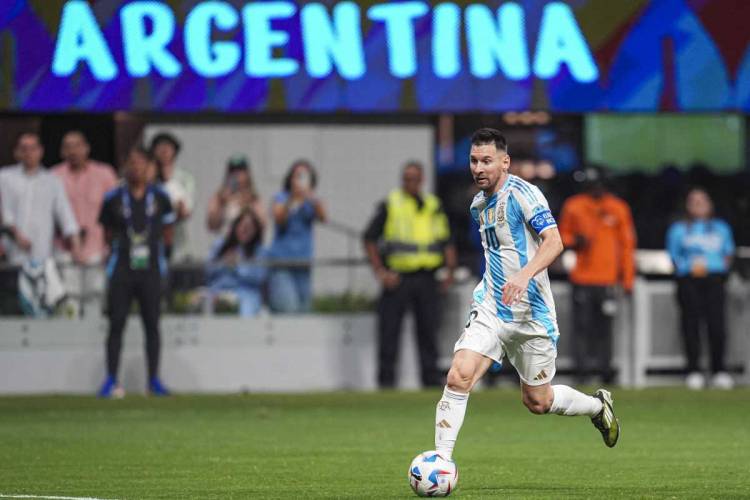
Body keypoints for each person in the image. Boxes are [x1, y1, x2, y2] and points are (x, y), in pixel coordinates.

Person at [433, 129, 619, 464]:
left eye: (487, 161)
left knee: (538, 402)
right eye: (474, 160)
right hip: (492, 306)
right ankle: (441, 462)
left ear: (505, 163)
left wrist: (523, 275)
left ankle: (597, 405)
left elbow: (554, 241)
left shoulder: (524, 194)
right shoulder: (478, 205)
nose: (479, 167)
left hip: (531, 313)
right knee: (458, 374)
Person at [363, 161, 456, 388]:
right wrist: (380, 272)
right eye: (407, 178)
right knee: (389, 333)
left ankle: (430, 382)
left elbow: (447, 241)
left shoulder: (433, 205)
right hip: (398, 278)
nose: (410, 183)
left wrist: (449, 272)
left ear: (421, 180)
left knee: (428, 332)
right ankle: (386, 383)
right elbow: (369, 238)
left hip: (427, 278)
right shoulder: (392, 204)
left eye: (414, 178)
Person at [97, 146, 175, 398]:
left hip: (151, 268)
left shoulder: (161, 197)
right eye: (132, 163)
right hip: (122, 268)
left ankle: (154, 380)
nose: (137, 168)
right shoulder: (113, 198)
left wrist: (163, 257)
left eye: (142, 163)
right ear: (125, 166)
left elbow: (168, 232)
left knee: (152, 324)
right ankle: (110, 380)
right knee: (116, 323)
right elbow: (106, 234)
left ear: (149, 167)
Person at [557, 165, 636, 384]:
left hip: (607, 278)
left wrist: (627, 279)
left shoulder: (618, 208)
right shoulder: (574, 206)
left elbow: (627, 246)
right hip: (581, 277)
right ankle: (581, 372)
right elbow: (559, 236)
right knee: (581, 327)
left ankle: (605, 370)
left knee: (605, 328)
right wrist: (574, 241)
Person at [666, 188, 735, 390]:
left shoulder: (721, 228)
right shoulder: (678, 229)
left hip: (714, 279)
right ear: (687, 205)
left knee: (717, 325)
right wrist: (685, 270)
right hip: (689, 281)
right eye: (693, 201)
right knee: (691, 325)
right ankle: (693, 370)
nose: (698, 204)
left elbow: (728, 253)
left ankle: (719, 370)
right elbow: (673, 255)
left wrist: (719, 270)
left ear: (710, 204)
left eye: (702, 200)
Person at [0, 132, 81, 265]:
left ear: (40, 151)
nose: (28, 153)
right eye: (24, 149)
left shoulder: (52, 181)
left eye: (33, 148)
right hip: (10, 255)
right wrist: (14, 233)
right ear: (17, 152)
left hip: (42, 254)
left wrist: (76, 246)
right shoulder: (4, 178)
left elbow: (66, 217)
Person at [267, 160, 326, 313]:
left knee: (304, 311)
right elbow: (279, 218)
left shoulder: (311, 201)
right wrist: (293, 199)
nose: (300, 180)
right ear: (290, 179)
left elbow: (323, 217)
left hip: (303, 264)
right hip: (282, 264)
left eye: (304, 176)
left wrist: (311, 197)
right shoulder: (281, 197)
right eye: (297, 176)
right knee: (288, 308)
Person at [52, 130, 118, 264]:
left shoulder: (105, 173)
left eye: (77, 146)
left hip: (97, 249)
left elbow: (115, 211)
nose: (73, 151)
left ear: (87, 148)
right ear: (62, 152)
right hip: (63, 250)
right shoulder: (53, 176)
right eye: (68, 147)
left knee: (97, 286)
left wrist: (112, 246)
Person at [206, 209, 267, 317]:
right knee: (204, 307)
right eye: (242, 226)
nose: (245, 230)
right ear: (235, 227)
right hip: (219, 290)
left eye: (250, 228)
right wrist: (223, 263)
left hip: (245, 293)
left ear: (256, 231)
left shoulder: (259, 251)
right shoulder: (220, 245)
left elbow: (259, 277)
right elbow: (207, 271)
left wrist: (238, 267)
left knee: (246, 311)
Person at [150, 132, 194, 261]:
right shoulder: (147, 179)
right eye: (160, 147)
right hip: (152, 243)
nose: (164, 151)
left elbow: (185, 211)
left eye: (168, 147)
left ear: (175, 151)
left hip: (179, 246)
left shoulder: (184, 179)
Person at [206, 155, 266, 234]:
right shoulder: (220, 196)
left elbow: (262, 224)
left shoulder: (253, 197)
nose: (236, 174)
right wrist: (221, 204)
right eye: (233, 171)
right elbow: (212, 226)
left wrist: (247, 205)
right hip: (226, 242)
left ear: (247, 174)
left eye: (240, 170)